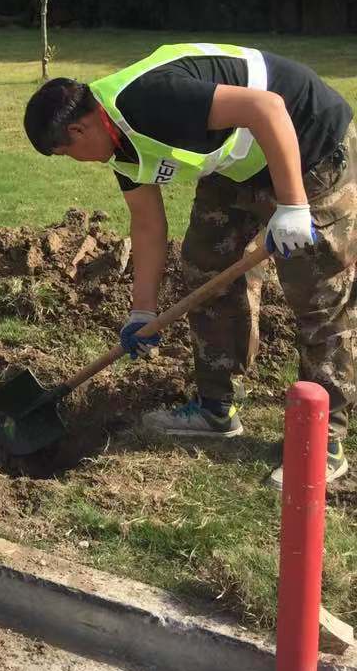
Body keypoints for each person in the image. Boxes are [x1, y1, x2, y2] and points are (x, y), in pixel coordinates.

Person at [23, 42, 356, 486]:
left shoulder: (148, 101)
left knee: (318, 297)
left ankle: (324, 439)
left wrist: (293, 205)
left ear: (81, 130)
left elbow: (268, 106)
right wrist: (142, 311)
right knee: (205, 265)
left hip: (310, 144)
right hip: (240, 162)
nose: (74, 161)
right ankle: (217, 408)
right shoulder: (119, 145)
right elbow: (146, 225)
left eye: (67, 153)